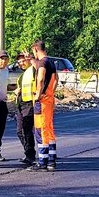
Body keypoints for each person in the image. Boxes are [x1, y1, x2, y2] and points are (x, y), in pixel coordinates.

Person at [29, 40, 58, 172]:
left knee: (40, 130)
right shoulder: (50, 62)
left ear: (35, 49)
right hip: (50, 100)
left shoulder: (42, 63)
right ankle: (51, 160)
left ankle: (42, 162)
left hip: (42, 101)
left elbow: (40, 78)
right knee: (49, 129)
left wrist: (38, 95)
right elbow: (56, 79)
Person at [14, 53, 36, 165]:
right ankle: (28, 151)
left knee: (27, 130)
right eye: (19, 62)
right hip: (20, 105)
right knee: (19, 131)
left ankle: (30, 155)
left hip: (29, 104)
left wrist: (32, 59)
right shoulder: (22, 75)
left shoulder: (33, 69)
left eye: (23, 61)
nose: (21, 63)